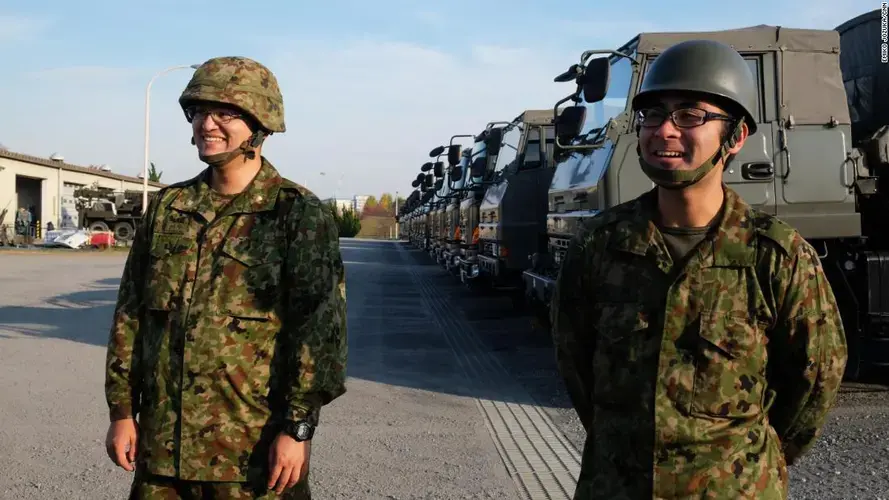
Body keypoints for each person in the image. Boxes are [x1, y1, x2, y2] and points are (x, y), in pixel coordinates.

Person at [550, 39, 848, 499]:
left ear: (736, 136)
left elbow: (814, 379)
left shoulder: (777, 256)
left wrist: (742, 457)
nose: (664, 130)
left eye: (690, 115)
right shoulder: (599, 246)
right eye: (653, 115)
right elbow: (577, 366)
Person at [104, 56, 349, 499]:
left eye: (226, 112)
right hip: (163, 456)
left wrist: (297, 430)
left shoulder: (297, 213)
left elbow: (319, 334)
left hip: (253, 459)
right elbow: (130, 317)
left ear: (261, 123)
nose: (207, 123)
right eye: (198, 111)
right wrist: (121, 412)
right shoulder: (167, 209)